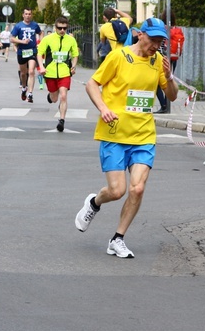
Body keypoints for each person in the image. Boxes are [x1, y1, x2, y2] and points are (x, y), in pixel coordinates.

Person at [75, 17, 178, 258]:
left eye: (160, 41)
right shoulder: (119, 57)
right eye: (152, 39)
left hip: (143, 134)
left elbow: (171, 96)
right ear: (139, 34)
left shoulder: (158, 62)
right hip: (115, 132)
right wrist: (103, 108)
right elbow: (92, 84)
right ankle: (94, 203)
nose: (156, 45)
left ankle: (117, 238)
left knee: (138, 188)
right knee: (117, 190)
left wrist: (170, 77)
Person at [37, 16, 80, 132]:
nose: (62, 30)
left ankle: (61, 120)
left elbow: (75, 54)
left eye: (64, 28)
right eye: (59, 28)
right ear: (55, 27)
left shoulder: (71, 40)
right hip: (50, 72)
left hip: (64, 72)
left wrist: (74, 66)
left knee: (64, 95)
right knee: (55, 98)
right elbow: (39, 53)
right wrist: (41, 67)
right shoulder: (48, 39)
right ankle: (51, 96)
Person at [10, 8, 42, 103]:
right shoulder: (18, 26)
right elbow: (11, 39)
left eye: (29, 14)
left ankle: (30, 93)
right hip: (22, 52)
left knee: (31, 71)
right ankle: (24, 88)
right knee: (23, 73)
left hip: (32, 51)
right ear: (23, 15)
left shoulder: (35, 25)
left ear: (31, 15)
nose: (28, 16)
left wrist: (40, 43)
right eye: (26, 14)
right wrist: (22, 41)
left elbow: (41, 33)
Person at [155, 11, 183, 113]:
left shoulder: (163, 29)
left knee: (158, 83)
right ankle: (166, 106)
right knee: (169, 81)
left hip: (163, 59)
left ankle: (164, 106)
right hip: (173, 58)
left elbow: (160, 46)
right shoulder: (175, 29)